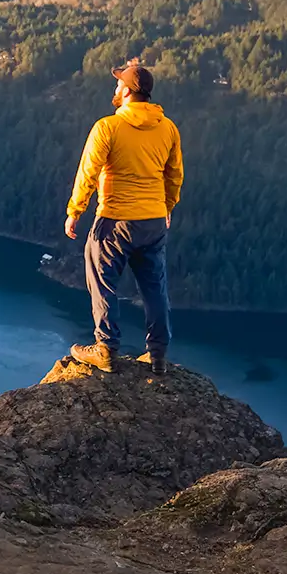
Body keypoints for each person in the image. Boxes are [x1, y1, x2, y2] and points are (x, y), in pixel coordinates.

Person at [64, 59, 183, 371]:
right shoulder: (168, 128)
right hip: (154, 220)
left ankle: (105, 347)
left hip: (115, 220)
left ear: (128, 91)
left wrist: (75, 211)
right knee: (154, 288)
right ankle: (158, 354)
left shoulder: (108, 127)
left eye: (119, 83)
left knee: (102, 281)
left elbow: (88, 172)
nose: (115, 87)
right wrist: (167, 207)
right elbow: (174, 175)